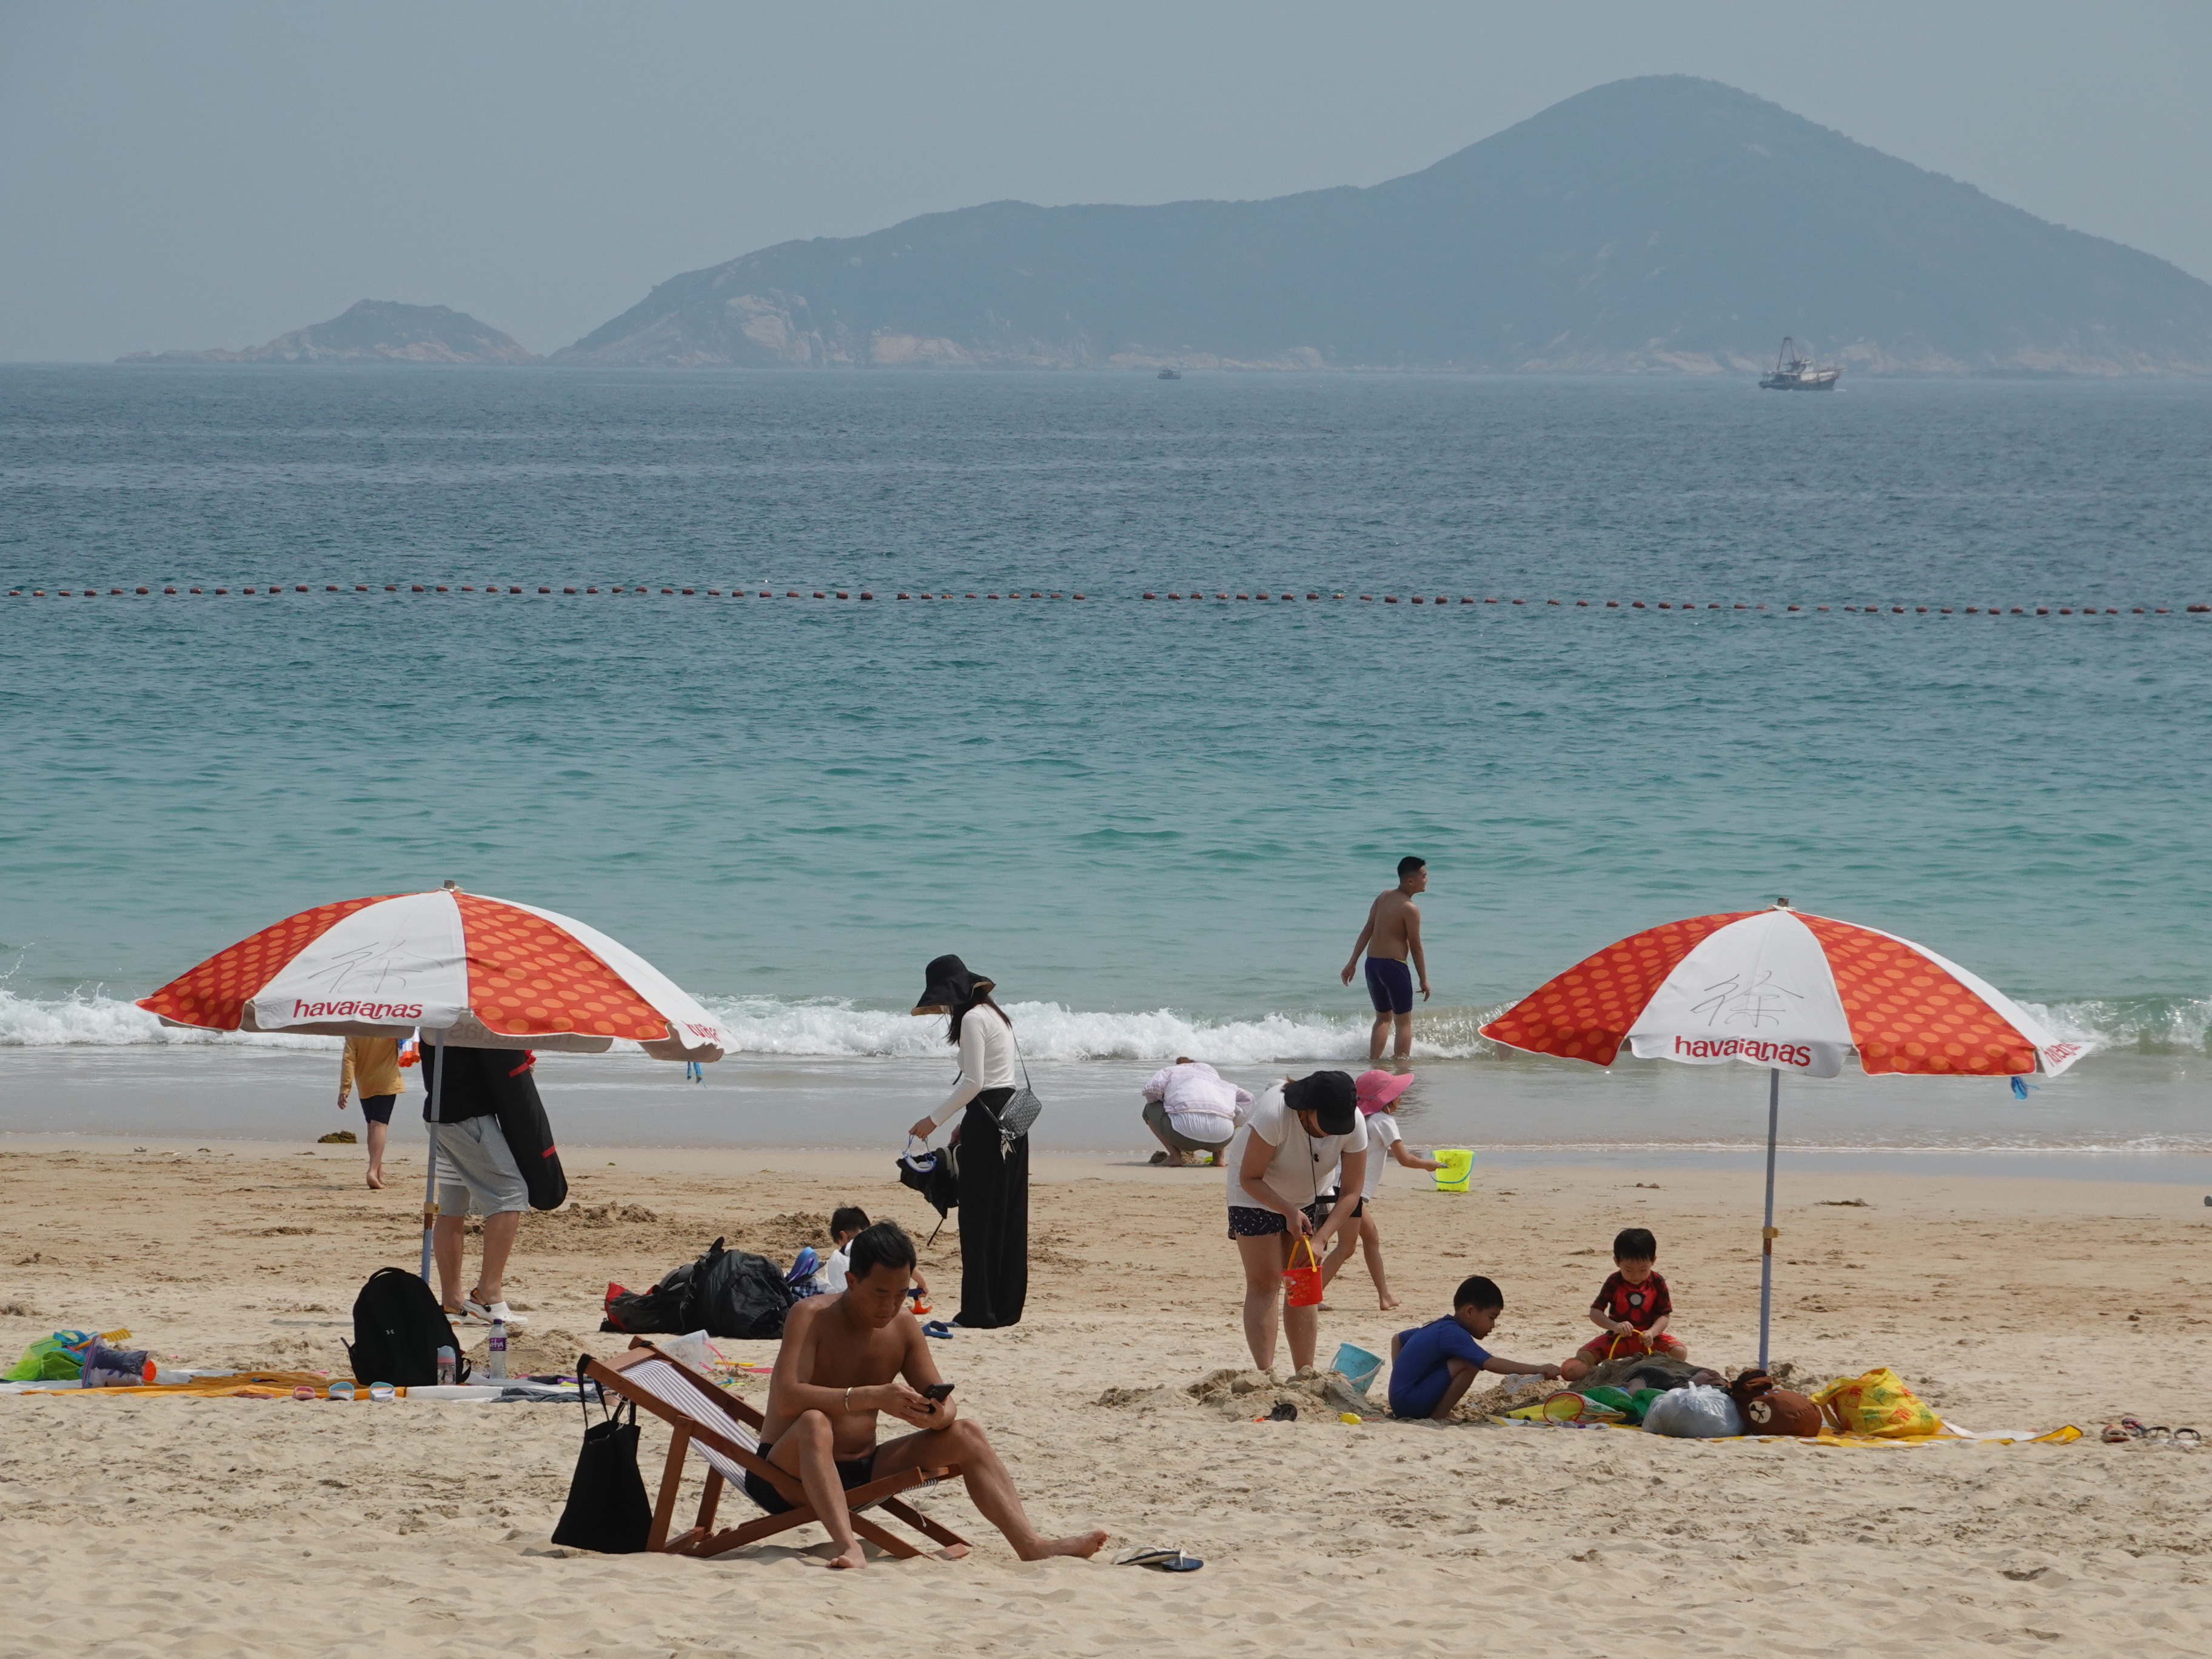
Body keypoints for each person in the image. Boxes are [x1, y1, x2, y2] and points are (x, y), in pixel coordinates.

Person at [753, 1220, 1108, 1570]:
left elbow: (945, 1400)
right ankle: (849, 1545)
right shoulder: (811, 1316)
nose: (891, 1307)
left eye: (900, 1295)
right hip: (786, 1477)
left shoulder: (903, 1326)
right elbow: (788, 1398)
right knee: (814, 1422)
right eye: (880, 1294)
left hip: (865, 1469)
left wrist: (939, 1415)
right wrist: (874, 1397)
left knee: (966, 1433)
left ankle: (1031, 1544)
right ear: (851, 1280)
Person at [906, 954, 1027, 1329]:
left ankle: (979, 1312)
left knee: (978, 1219)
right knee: (1007, 1216)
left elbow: (974, 1082)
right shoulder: (995, 1015)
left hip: (989, 1122)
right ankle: (1004, 1308)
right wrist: (964, 1122)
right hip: (1011, 1117)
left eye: (944, 999)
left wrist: (934, 1120)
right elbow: (994, 1079)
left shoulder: (973, 1019)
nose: (943, 1007)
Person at [1225, 1069, 1369, 1375]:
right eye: (1326, 1125)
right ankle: (1266, 1374)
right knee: (1265, 1282)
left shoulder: (1353, 1121)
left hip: (1307, 1195)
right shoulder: (1275, 1114)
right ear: (1308, 1110)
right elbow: (1250, 1178)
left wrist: (1320, 1240)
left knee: (1302, 1282)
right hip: (1254, 1191)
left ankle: (1305, 1373)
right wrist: (1288, 1211)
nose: (1332, 1133)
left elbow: (1352, 1192)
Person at [417, 1043, 532, 1327]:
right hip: (466, 1116)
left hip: (439, 1115)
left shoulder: (441, 1012)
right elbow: (494, 1067)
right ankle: (488, 1295)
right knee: (510, 1193)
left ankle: (453, 1302)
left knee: (453, 1204)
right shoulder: (476, 1017)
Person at [1319, 1069, 1442, 1310]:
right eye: (1397, 1095)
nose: (1401, 1099)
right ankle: (1311, 1297)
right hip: (1349, 1194)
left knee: (1371, 1238)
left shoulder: (1356, 1119)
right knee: (1346, 1248)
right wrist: (1432, 1165)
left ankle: (1384, 1296)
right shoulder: (1385, 1122)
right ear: (1386, 1099)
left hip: (1335, 1188)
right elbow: (1405, 1159)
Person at [1387, 1275, 1561, 1420]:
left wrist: (1402, 1377)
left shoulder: (1439, 1326)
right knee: (1469, 1363)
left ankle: (1433, 1411)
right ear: (1469, 1312)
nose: (1493, 1326)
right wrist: (1539, 1369)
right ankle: (1439, 1417)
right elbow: (1490, 1363)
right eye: (1492, 1317)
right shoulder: (1454, 1334)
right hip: (1410, 1405)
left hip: (1400, 1400)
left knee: (1457, 1360)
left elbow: (1398, 1339)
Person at [1558, 1227, 1684, 1382]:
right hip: (1616, 1338)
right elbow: (1595, 1312)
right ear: (1617, 1262)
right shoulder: (1614, 1281)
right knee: (1573, 1368)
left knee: (1680, 1352)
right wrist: (1614, 1326)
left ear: (1653, 1261)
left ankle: (1651, 1372)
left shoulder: (1657, 1281)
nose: (1636, 1276)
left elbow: (1664, 1315)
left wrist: (1652, 1332)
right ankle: (1598, 1377)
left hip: (1647, 1340)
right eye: (1629, 1270)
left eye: (1643, 1270)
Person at [1340, 856, 1431, 1062]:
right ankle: (1401, 1067)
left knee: (1382, 1018)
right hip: (1394, 967)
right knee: (1403, 1022)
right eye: (1424, 876)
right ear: (1410, 881)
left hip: (1372, 964)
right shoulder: (1410, 909)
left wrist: (1353, 961)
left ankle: (1375, 1064)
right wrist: (1423, 979)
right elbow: (1416, 947)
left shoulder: (1383, 896)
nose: (1426, 880)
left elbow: (1368, 929)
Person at [1139, 1055, 1250, 1167]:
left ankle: (1175, 1157)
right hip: (1223, 1139)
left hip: (1183, 1136)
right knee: (1223, 1109)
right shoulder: (1215, 1079)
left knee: (1150, 1108)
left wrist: (1169, 1102)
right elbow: (1248, 1100)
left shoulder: (1170, 1072)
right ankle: (1219, 1159)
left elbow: (1150, 1093)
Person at [819, 1205, 931, 1312]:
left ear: (843, 1236)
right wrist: (922, 1284)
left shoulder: (840, 1256)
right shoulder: (878, 1246)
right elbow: (903, 1260)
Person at [336, 1033, 406, 1190]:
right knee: (379, 1125)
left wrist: (345, 1088)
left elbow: (349, 1058)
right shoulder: (391, 1022)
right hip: (387, 1080)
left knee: (372, 1126)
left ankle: (379, 1172)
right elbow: (407, 1039)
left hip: (365, 1082)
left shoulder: (356, 1028)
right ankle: (373, 1171)